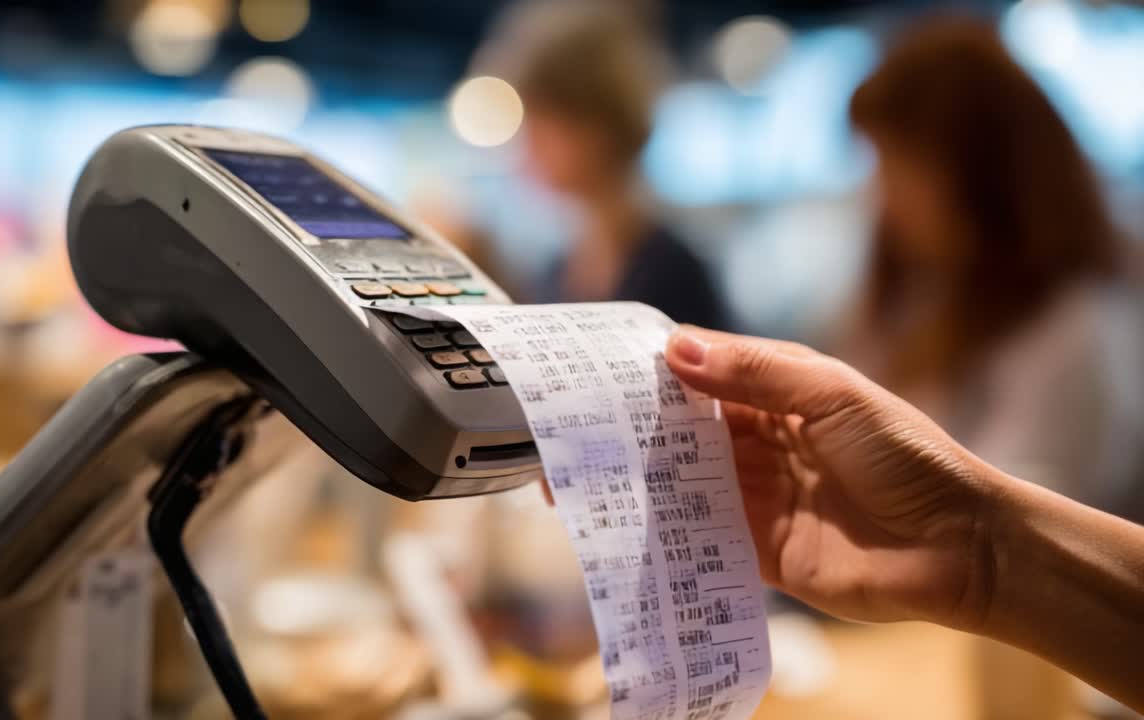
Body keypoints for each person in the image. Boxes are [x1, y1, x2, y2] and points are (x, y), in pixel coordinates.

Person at [660, 325, 1144, 713]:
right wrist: (971, 544)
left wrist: (972, 542)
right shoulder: (899, 297)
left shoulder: (1073, 324)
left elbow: (1041, 466)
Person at [844, 18, 1144, 520]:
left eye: (902, 168)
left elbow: (1022, 525)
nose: (884, 199)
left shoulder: (1077, 327)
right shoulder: (919, 301)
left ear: (982, 175)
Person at [474, 0, 735, 330]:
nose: (525, 146)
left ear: (596, 124)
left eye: (541, 122)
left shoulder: (674, 274)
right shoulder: (557, 270)